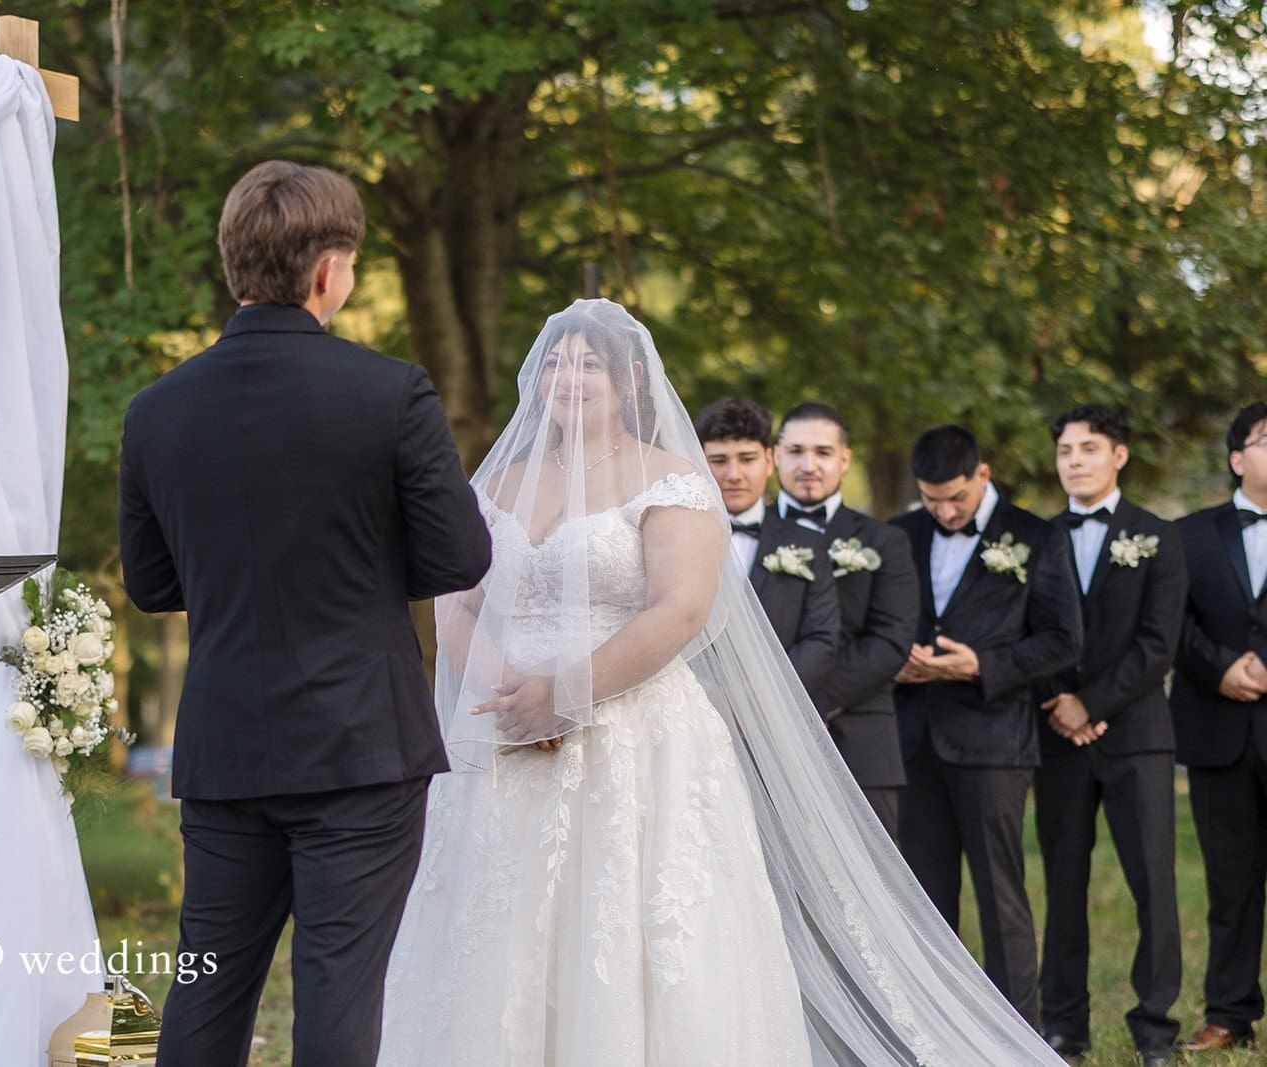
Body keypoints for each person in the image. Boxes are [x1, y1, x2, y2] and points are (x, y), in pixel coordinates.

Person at [379, 299, 1068, 1064]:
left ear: (628, 379)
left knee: (620, 912)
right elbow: (455, 601)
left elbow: (679, 610)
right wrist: (513, 692)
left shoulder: (672, 478)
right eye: (555, 363)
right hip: (507, 729)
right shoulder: (497, 482)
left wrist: (563, 693)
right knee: (502, 915)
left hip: (629, 731)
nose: (568, 377)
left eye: (589, 363)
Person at [117, 161, 490, 1067]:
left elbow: (153, 584)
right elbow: (461, 556)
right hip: (360, 746)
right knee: (338, 991)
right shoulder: (390, 392)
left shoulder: (156, 410)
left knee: (207, 987)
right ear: (328, 270)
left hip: (226, 746)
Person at [891, 425, 1082, 1029]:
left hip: (996, 740)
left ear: (983, 474)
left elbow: (1062, 641)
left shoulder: (1036, 537)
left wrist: (981, 665)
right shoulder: (900, 534)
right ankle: (934, 1031)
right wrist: (895, 662)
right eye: (932, 500)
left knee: (1001, 896)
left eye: (956, 498)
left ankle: (1018, 1035)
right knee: (923, 898)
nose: (945, 513)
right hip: (914, 739)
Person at [1030, 404, 1185, 1065]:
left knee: (1153, 885)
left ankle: (1155, 1027)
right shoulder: (1036, 539)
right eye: (1066, 450)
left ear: (1118, 455)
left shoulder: (1157, 536)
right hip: (1056, 736)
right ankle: (1065, 1024)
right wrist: (1057, 700)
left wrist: (1090, 704)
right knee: (1063, 883)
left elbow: (1158, 643)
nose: (1075, 461)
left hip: (1137, 736)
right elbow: (1023, 631)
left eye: (1088, 448)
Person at [772, 402, 917, 839]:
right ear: (775, 456)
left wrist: (807, 703)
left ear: (845, 459)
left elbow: (891, 640)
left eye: (822, 452)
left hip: (860, 738)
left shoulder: (885, 541)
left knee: (873, 873)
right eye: (795, 451)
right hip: (763, 738)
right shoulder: (745, 536)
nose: (808, 465)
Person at [1171, 401, 1267, 1054]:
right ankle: (1229, 1013)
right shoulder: (1188, 535)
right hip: (1218, 731)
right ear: (1237, 458)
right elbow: (1170, 622)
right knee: (1230, 884)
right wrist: (1221, 668)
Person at [696, 397, 838, 703]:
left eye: (747, 459)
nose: (734, 474)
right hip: (693, 703)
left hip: (777, 705)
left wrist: (761, 696)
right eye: (719, 461)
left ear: (770, 460)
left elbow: (821, 638)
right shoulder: (676, 539)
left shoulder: (808, 543)